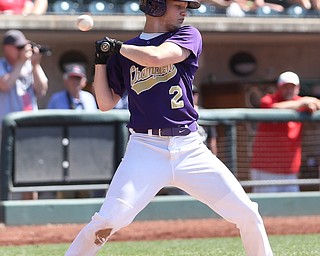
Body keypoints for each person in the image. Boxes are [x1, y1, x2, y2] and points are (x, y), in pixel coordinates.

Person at [65, 1, 273, 255]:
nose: (184, 10)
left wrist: (118, 48)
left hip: (190, 149)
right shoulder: (127, 52)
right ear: (155, 5)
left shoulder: (187, 35)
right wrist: (100, 62)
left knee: (248, 213)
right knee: (107, 221)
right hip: (145, 149)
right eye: (177, 5)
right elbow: (105, 103)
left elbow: (157, 57)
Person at [250, 71, 320, 193]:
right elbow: (275, 108)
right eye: (285, 87)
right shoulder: (269, 100)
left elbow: (316, 104)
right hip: (266, 169)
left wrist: (310, 102)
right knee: (267, 209)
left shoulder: (301, 102)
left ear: (298, 88)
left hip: (290, 170)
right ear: (279, 88)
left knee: (292, 209)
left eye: (292, 87)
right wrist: (302, 103)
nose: (289, 90)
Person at [0, 29, 48, 199]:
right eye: (18, 47)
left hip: (28, 130)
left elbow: (42, 89)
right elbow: (5, 85)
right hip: (5, 131)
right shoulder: (2, 65)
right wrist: (21, 62)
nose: (22, 50)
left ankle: (31, 215)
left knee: (30, 172)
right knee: (6, 174)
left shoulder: (29, 66)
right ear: (7, 48)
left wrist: (35, 64)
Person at [192, 85, 218, 155]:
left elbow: (212, 139)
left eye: (194, 94)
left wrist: (214, 156)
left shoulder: (206, 114)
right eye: (190, 94)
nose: (192, 96)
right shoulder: (182, 114)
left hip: (203, 151)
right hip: (189, 150)